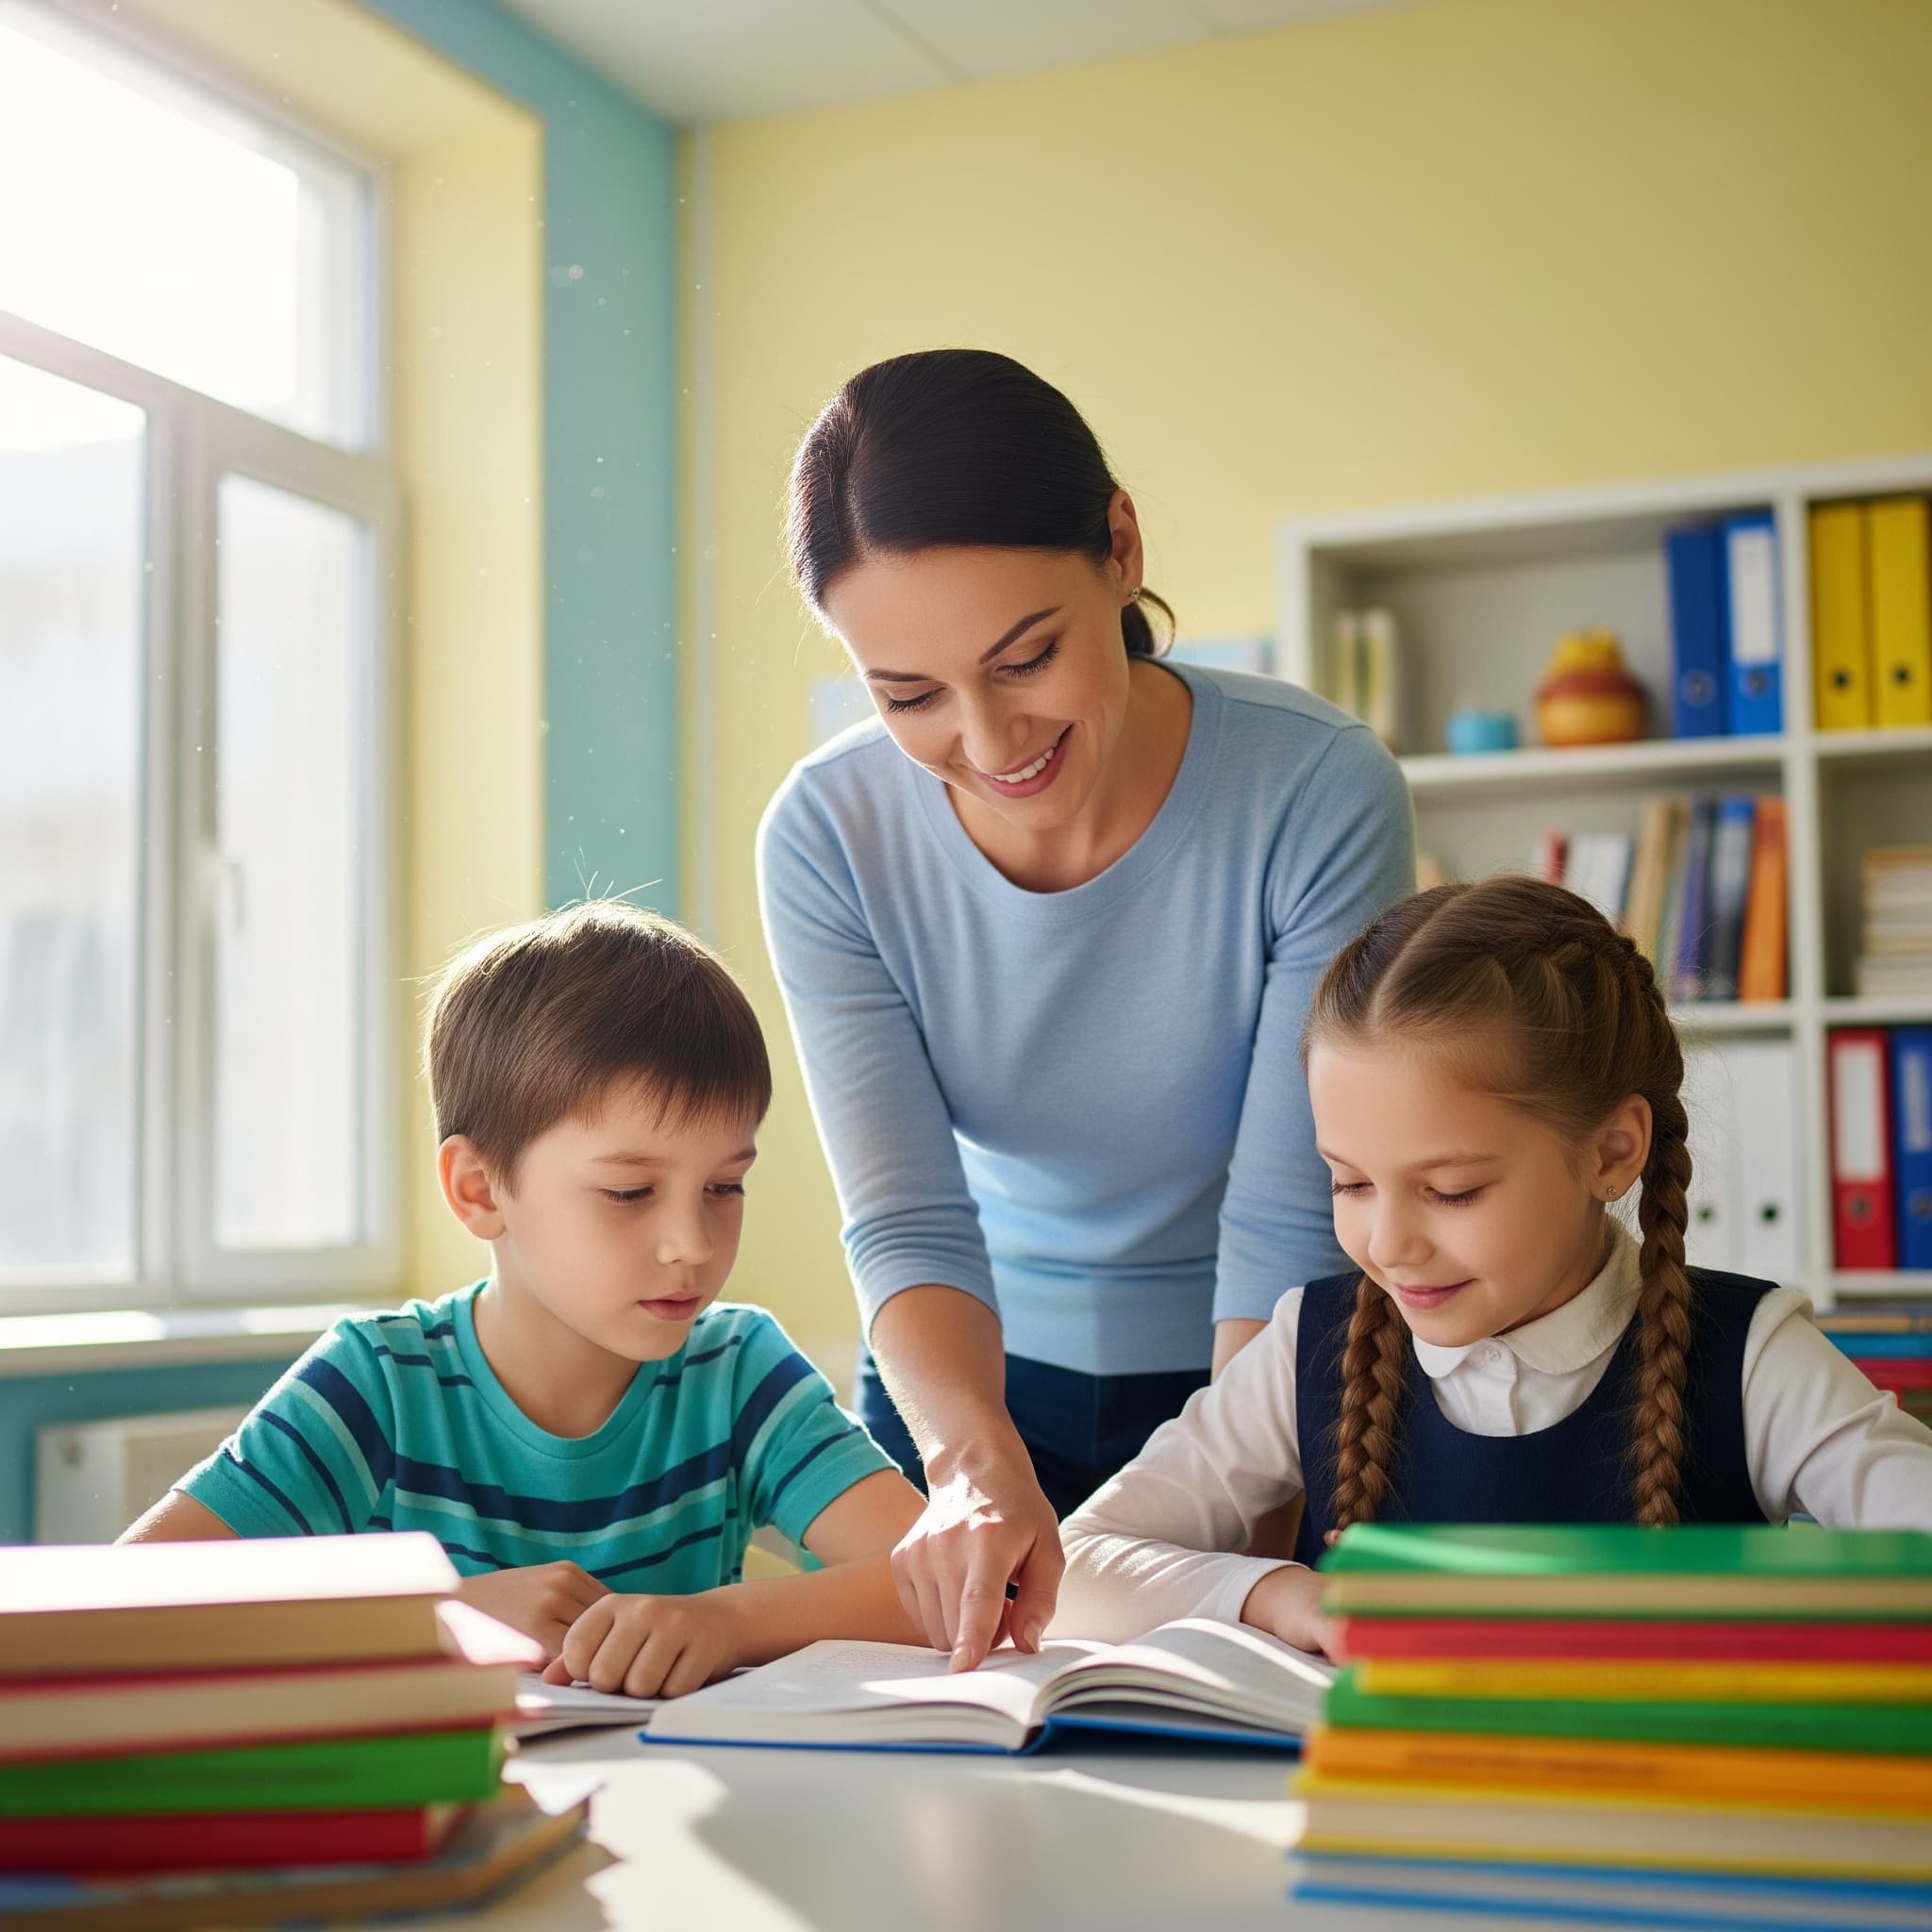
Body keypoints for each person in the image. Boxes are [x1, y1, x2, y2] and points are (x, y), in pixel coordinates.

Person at [758, 348, 1415, 1671]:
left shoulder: (1314, 788)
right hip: (969, 1392)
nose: (990, 741)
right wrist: (971, 1462)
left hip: (1255, 1381)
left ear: (1119, 548)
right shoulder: (827, 838)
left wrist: (1243, 1522)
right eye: (908, 696)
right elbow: (906, 1217)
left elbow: (1287, 1217)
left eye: (1025, 657)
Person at [1053, 876, 1932, 1649]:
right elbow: (1074, 1565)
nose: (1388, 1245)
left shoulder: (1749, 1355)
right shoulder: (1308, 1343)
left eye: (1452, 1190)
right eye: (1350, 1183)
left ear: (1612, 1153)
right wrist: (1283, 1597)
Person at [121, 902, 926, 1698]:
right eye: (629, 1191)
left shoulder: (738, 1370)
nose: (693, 1243)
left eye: (724, 1186)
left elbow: (947, 1583)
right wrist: (440, 1613)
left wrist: (728, 1622)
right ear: (479, 1189)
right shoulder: (377, 1383)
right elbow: (126, 1604)